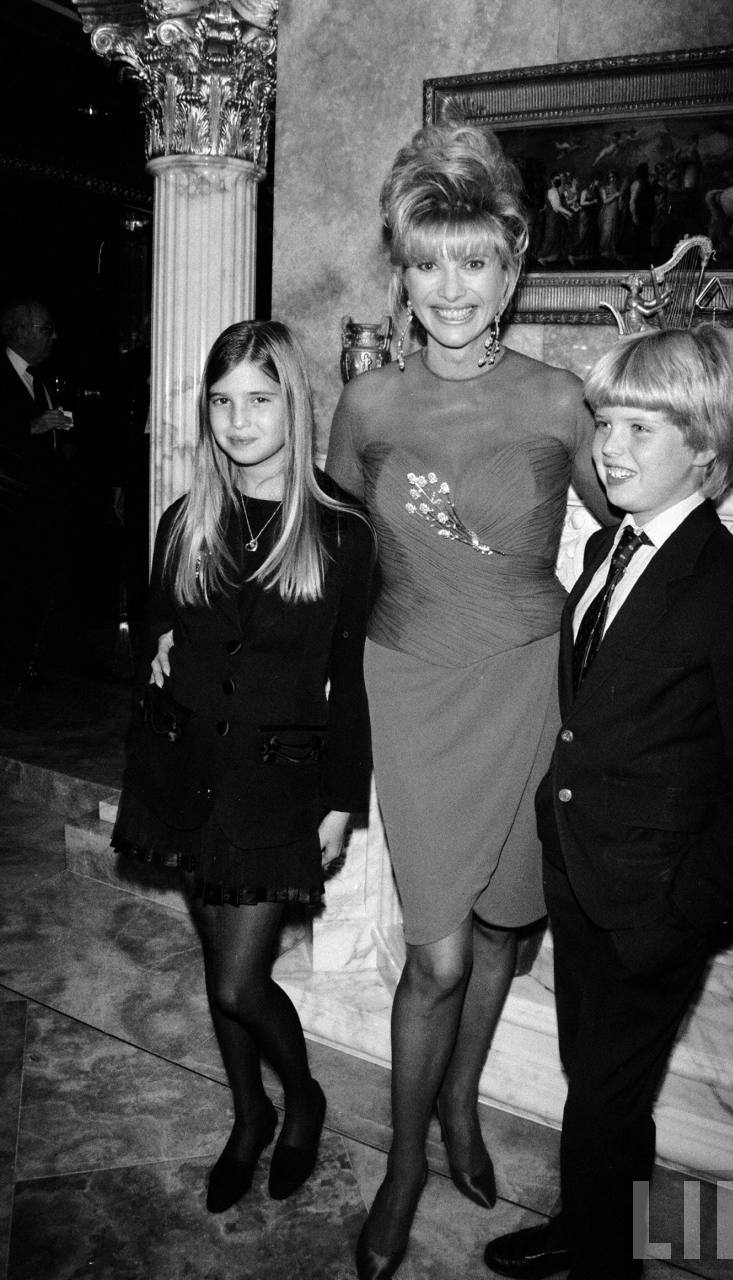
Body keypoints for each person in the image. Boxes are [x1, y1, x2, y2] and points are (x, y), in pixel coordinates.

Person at [325, 122, 611, 1280]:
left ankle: (458, 1103)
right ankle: (402, 1163)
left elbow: (625, 528)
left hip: (528, 684)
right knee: (435, 955)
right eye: (427, 261)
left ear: (512, 263)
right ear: (401, 268)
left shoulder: (558, 401)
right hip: (412, 687)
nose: (451, 288)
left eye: (474, 261)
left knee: (502, 927)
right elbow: (331, 552)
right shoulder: (367, 404)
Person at [484, 325, 733, 1280]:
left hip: (655, 903)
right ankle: (593, 1227)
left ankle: (604, 1261)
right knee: (597, 1087)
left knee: (604, 1096)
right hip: (582, 876)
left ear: (703, 448)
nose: (609, 448)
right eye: (605, 422)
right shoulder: (606, 550)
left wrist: (681, 917)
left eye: (640, 429)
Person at [112, 319, 373, 1213]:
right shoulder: (186, 520)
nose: (238, 420)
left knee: (237, 981)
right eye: (222, 401)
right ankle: (247, 1117)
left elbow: (351, 678)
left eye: (259, 399)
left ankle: (301, 1098)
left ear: (292, 404)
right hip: (185, 771)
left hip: (273, 782)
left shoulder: (340, 530)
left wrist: (341, 800)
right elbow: (155, 622)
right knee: (220, 970)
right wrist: (159, 641)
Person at [0, 296, 75, 689]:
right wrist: (30, 428)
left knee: (35, 589)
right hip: (8, 506)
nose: (54, 336)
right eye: (46, 328)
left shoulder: (43, 378)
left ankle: (26, 664)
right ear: (19, 331)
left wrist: (64, 443)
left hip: (41, 509)